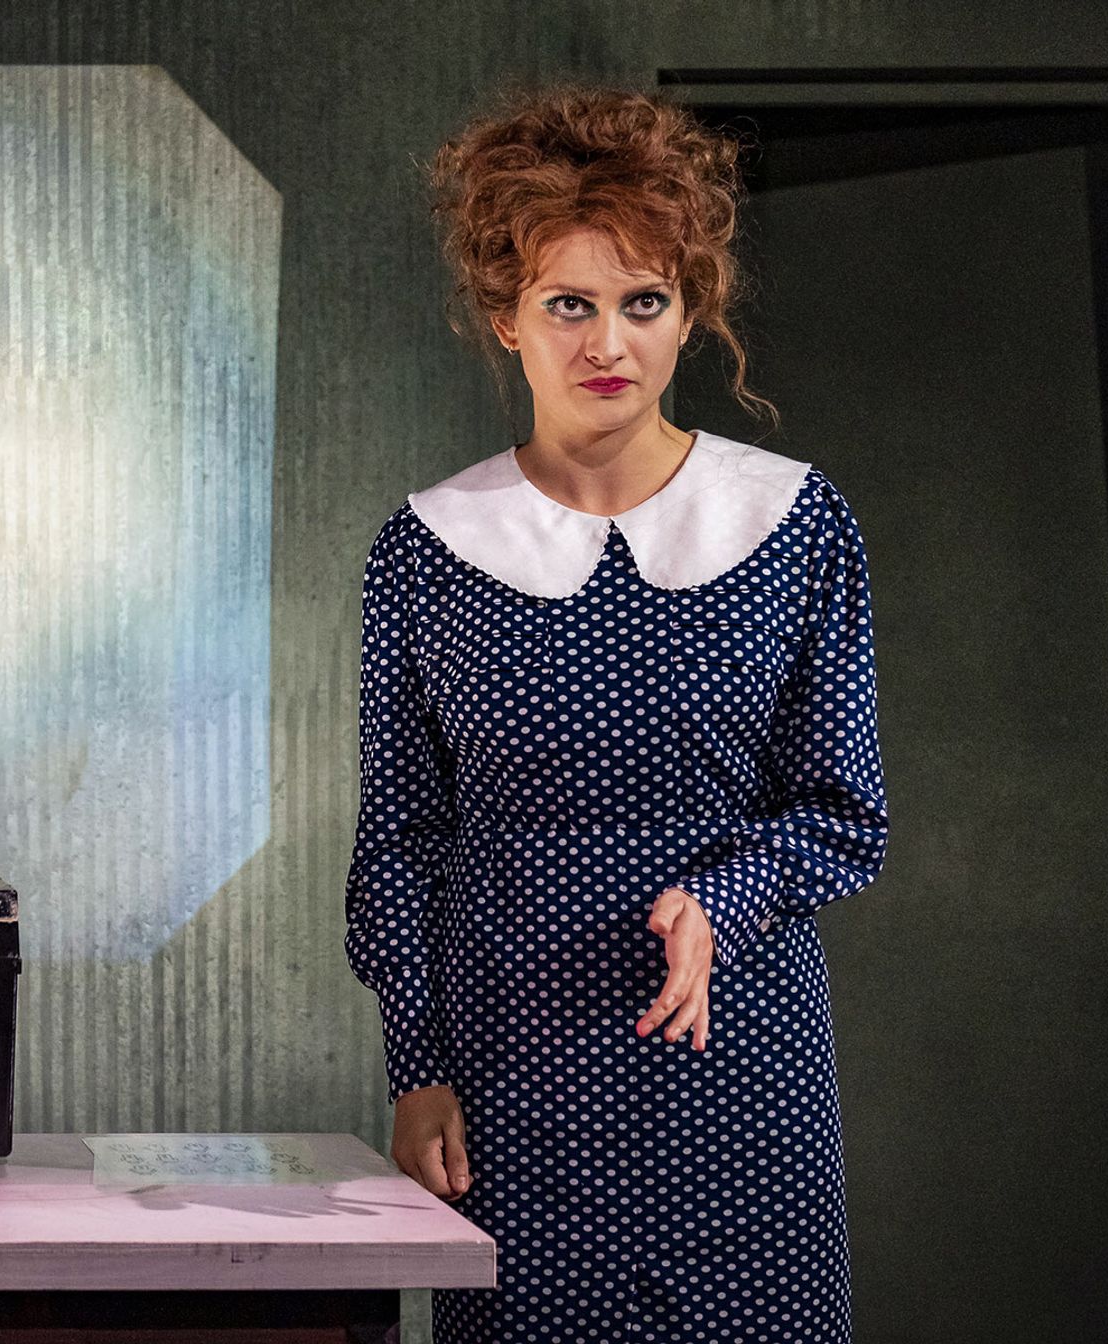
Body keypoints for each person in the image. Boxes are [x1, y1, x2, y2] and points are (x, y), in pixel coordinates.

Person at [343, 81, 891, 1342]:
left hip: (737, 1070)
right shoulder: (426, 549)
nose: (608, 343)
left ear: (688, 312)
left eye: (642, 302)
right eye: (567, 305)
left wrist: (723, 899)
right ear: (504, 317)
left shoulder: (794, 521)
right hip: (514, 1076)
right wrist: (417, 1067)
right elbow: (400, 846)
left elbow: (843, 814)